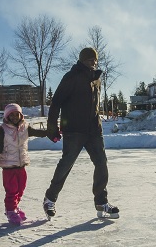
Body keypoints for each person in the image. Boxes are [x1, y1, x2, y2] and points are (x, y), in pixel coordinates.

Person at [43, 47, 120, 219]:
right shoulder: (71, 77)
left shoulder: (96, 79)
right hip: (74, 130)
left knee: (102, 163)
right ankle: (50, 198)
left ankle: (101, 201)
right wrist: (52, 128)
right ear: (82, 60)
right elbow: (56, 103)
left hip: (93, 130)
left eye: (95, 59)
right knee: (66, 164)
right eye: (90, 59)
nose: (93, 62)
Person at [0, 103, 48, 224]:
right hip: (8, 167)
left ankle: (14, 207)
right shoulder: (3, 129)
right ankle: (10, 211)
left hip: (21, 165)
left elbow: (39, 133)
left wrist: (51, 132)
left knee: (21, 189)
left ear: (21, 115)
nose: (15, 117)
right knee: (12, 190)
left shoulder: (25, 127)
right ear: (7, 116)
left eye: (17, 114)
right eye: (12, 115)